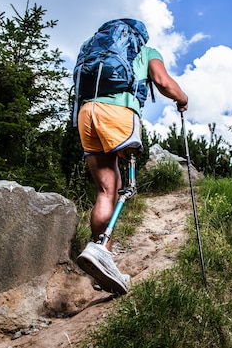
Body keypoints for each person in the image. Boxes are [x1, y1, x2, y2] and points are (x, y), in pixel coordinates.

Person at [75, 40, 189, 295]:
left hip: (86, 112)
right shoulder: (145, 51)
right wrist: (182, 99)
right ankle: (101, 251)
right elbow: (162, 81)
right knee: (125, 185)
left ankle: (101, 260)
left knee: (106, 190)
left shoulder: (96, 51)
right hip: (118, 111)